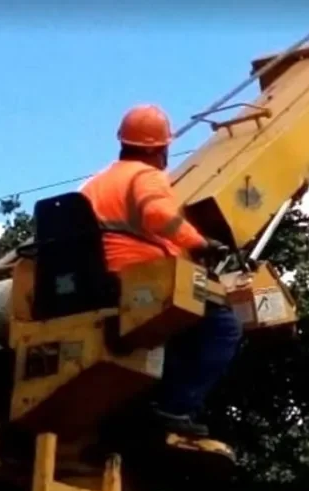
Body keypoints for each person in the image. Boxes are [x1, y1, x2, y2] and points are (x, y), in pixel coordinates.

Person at [81, 104, 242, 437]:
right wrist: (200, 244)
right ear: (160, 148)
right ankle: (174, 407)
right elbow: (158, 214)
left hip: (101, 283)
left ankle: (149, 403)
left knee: (183, 329)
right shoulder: (146, 176)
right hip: (139, 279)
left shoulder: (93, 185)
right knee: (222, 326)